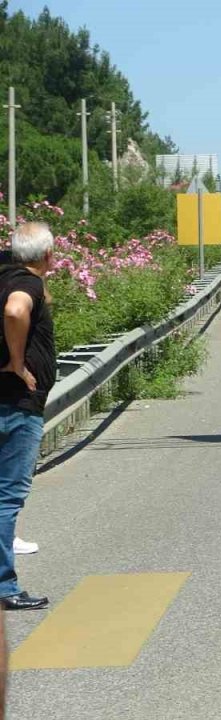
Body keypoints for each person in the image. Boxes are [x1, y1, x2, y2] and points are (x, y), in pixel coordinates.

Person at [0, 223, 54, 611]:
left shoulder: (3, 275)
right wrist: (18, 364)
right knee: (7, 498)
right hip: (16, 405)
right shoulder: (27, 285)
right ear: (48, 256)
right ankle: (5, 586)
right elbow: (15, 310)